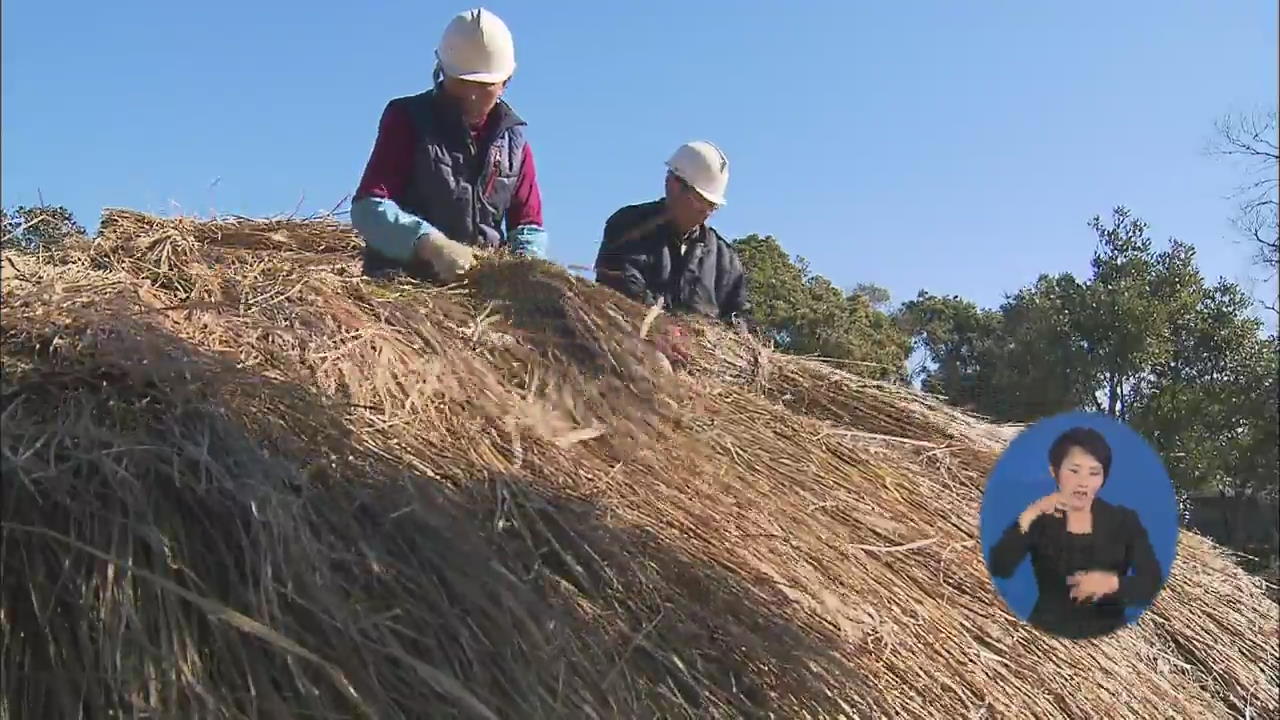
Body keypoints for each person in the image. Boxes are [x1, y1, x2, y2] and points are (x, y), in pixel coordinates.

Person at [351, 8, 547, 283]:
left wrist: (523, 271)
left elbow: (527, 227)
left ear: (505, 82)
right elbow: (369, 207)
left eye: (483, 85)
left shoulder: (514, 144)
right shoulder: (408, 119)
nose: (471, 95)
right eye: (462, 83)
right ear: (441, 71)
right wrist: (429, 244)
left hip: (478, 287)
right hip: (405, 279)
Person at [988, 427, 1163, 639]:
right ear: (1055, 472)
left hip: (1109, 640)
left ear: (1103, 478)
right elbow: (1000, 567)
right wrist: (1030, 515)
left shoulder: (1124, 521)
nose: (1083, 482)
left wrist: (1111, 583)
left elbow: (1152, 581)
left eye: (1094, 473)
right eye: (1074, 470)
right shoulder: (1041, 520)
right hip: (1046, 638)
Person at [593, 141, 750, 326]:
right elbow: (620, 285)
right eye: (700, 200)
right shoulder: (627, 226)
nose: (706, 212)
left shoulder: (725, 260)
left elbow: (739, 318)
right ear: (672, 184)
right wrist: (665, 329)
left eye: (712, 205)